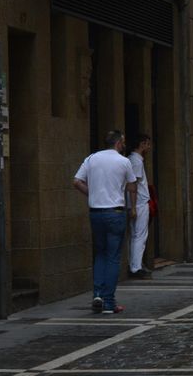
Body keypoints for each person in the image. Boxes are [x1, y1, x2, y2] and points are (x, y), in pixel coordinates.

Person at [73, 130, 137, 315]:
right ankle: (109, 302)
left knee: (100, 254)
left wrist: (92, 194)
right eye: (123, 141)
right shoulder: (124, 161)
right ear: (119, 142)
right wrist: (133, 207)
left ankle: (98, 295)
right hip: (115, 212)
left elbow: (76, 181)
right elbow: (132, 185)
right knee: (113, 256)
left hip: (96, 213)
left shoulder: (91, 159)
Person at [127, 134, 152, 279]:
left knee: (135, 234)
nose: (149, 147)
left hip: (137, 202)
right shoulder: (136, 161)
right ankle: (135, 267)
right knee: (139, 235)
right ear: (142, 144)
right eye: (147, 144)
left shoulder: (133, 160)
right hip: (139, 202)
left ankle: (134, 264)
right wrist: (134, 206)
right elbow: (133, 184)